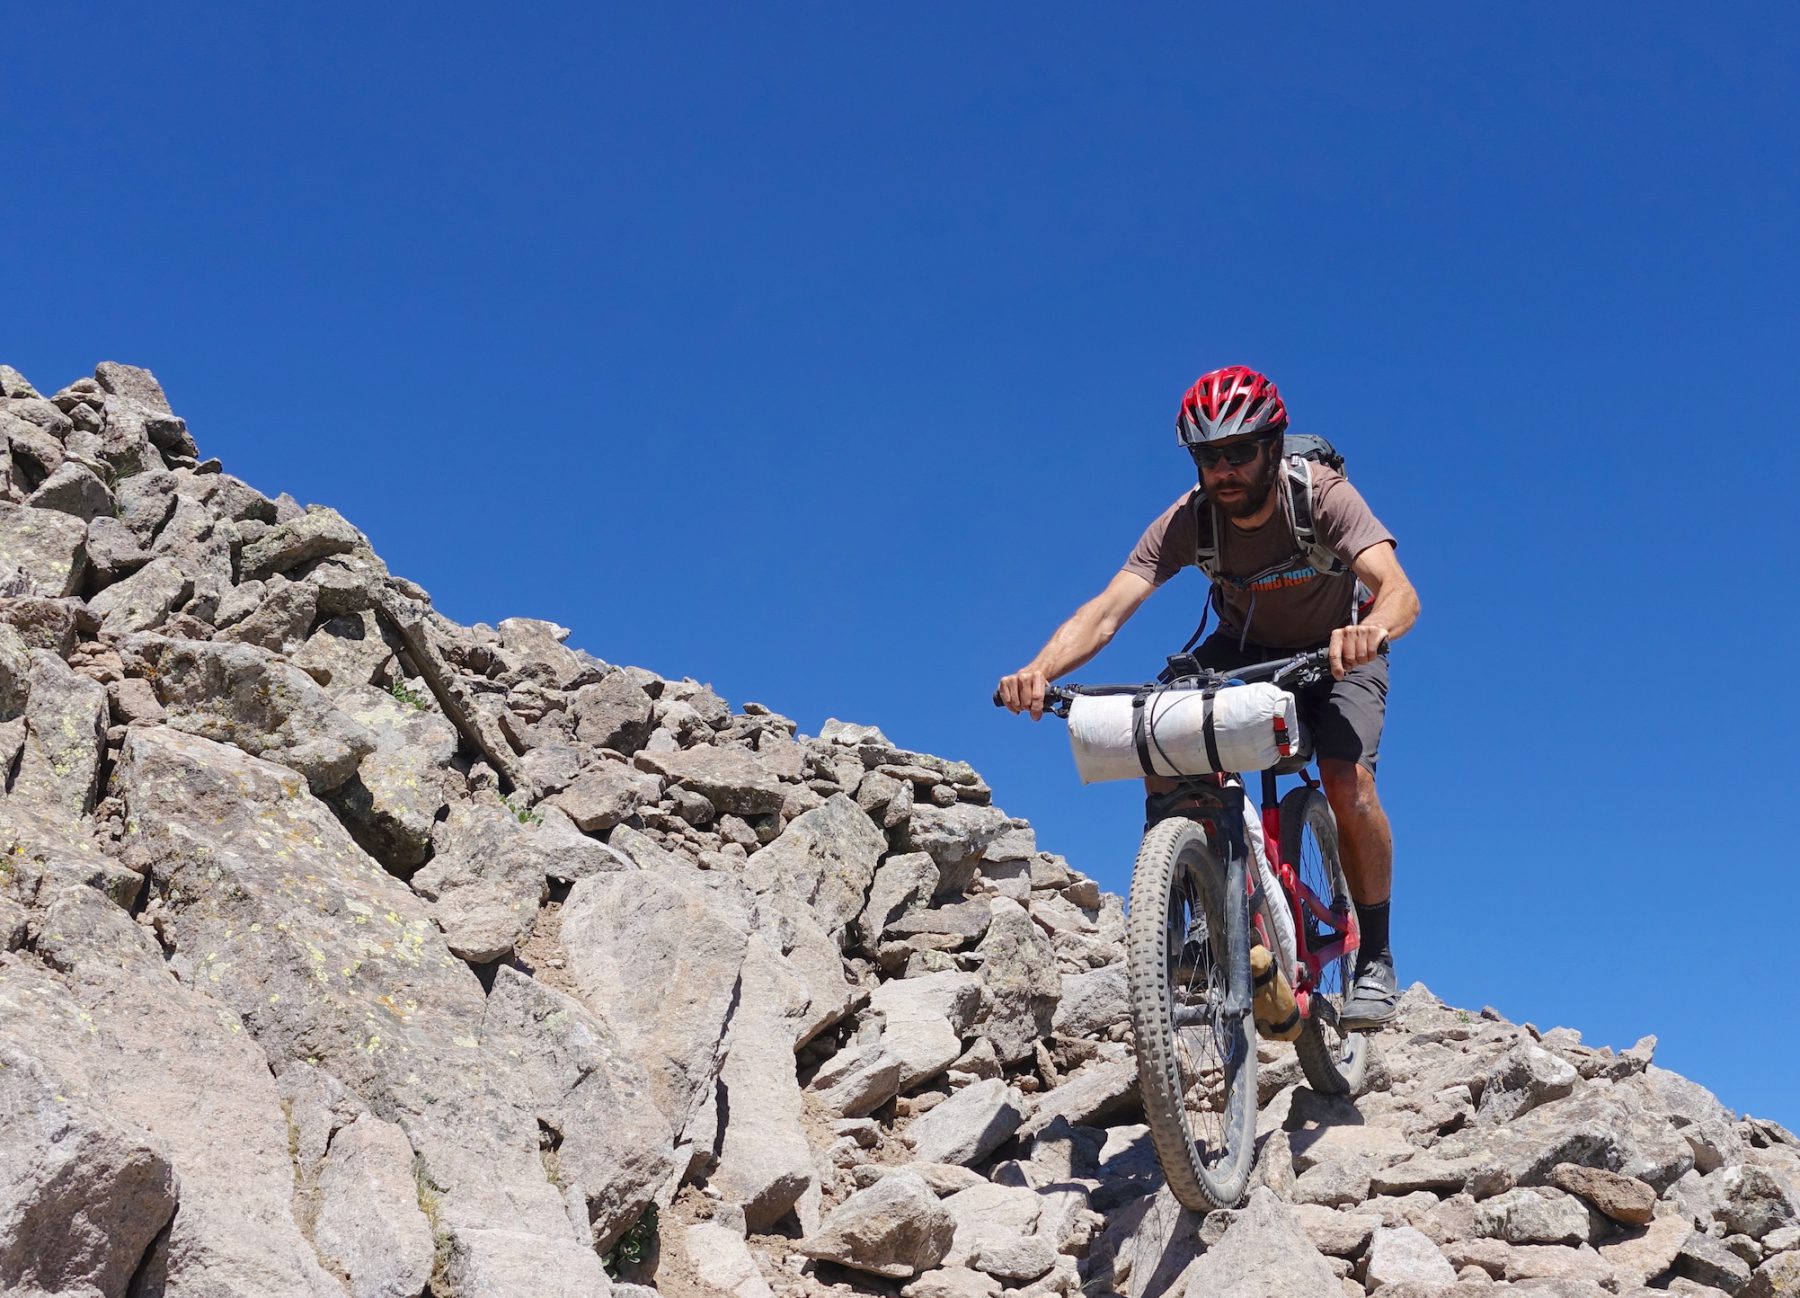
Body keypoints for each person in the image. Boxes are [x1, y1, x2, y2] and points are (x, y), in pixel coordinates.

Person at [996, 365, 1420, 1030]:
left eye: (1239, 452)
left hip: (1341, 649)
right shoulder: (1191, 521)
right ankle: (1196, 912)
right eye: (1207, 456)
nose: (1223, 470)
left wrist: (1370, 629)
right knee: (1158, 731)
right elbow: (1107, 610)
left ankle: (1376, 959)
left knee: (1347, 781)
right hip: (1243, 649)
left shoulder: (1322, 497)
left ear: (1273, 447)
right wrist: (1039, 669)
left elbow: (1399, 589)